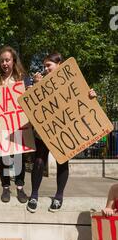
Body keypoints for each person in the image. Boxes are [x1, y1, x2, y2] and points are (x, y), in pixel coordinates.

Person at [27, 53, 96, 213]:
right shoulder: (39, 82)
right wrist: (34, 88)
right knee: (38, 162)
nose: (45, 69)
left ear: (59, 64)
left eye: (48, 65)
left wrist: (91, 96)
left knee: (62, 162)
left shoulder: (71, 81)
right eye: (44, 66)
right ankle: (34, 195)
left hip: (63, 130)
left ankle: (58, 196)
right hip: (43, 131)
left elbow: (81, 101)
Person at [0, 46, 32, 203]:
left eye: (7, 60)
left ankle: (20, 188)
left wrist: (29, 89)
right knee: (3, 157)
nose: (4, 63)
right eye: (2, 61)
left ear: (13, 60)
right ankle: (6, 187)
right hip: (2, 126)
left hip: (20, 125)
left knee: (19, 157)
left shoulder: (23, 78)